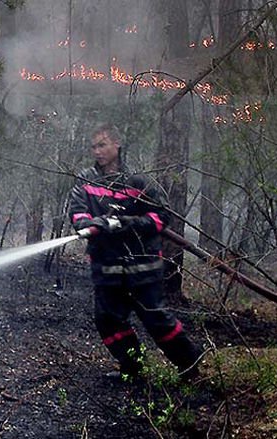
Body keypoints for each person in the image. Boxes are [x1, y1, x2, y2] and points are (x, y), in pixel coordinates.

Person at [69, 124, 202, 382]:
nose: (97, 151)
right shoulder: (86, 180)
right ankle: (133, 367)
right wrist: (91, 224)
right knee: (107, 320)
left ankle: (190, 366)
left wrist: (127, 223)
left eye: (102, 145)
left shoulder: (138, 181)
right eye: (94, 146)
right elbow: (77, 213)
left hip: (143, 266)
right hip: (106, 267)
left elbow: (161, 217)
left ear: (117, 144)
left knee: (155, 319)